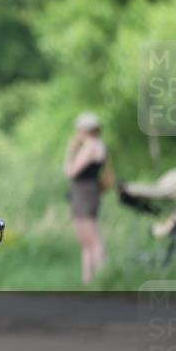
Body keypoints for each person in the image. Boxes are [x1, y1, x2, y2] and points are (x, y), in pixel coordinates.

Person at [63, 112, 111, 285]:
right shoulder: (100, 145)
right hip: (88, 190)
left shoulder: (90, 146)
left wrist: (70, 151)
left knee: (91, 237)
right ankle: (88, 279)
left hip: (84, 191)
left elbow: (70, 171)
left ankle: (103, 277)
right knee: (85, 238)